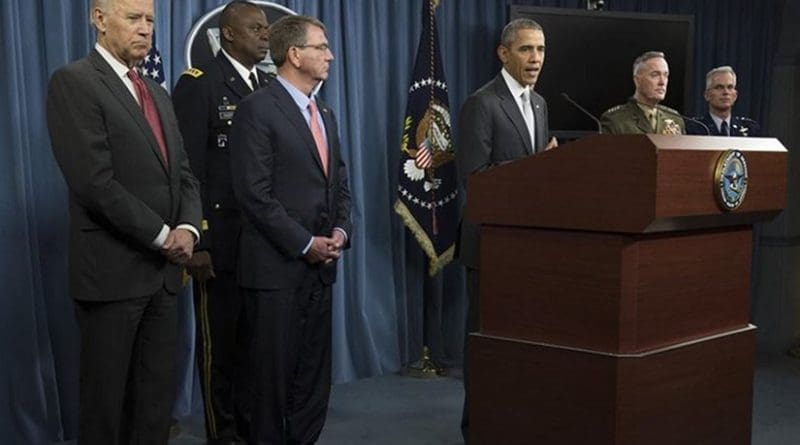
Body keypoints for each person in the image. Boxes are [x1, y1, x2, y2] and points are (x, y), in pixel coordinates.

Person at [46, 0, 201, 442]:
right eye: (133, 18)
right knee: (105, 406)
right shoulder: (74, 82)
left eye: (150, 20)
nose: (146, 29)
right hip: (112, 276)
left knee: (154, 404)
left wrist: (188, 228)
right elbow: (94, 183)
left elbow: (184, 173)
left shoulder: (157, 92)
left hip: (164, 278)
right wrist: (161, 235)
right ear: (99, 19)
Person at [229, 14, 352, 444]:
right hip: (275, 273)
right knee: (269, 385)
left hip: (320, 272)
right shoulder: (256, 110)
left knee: (312, 383)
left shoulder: (327, 114)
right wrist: (304, 244)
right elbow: (254, 194)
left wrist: (341, 232)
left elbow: (339, 184)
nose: (330, 55)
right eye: (321, 47)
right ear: (294, 54)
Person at [172, 1, 273, 442]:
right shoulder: (201, 85)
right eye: (255, 28)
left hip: (263, 244)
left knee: (256, 350)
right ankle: (224, 435)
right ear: (228, 34)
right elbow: (188, 169)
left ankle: (252, 431)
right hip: (222, 244)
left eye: (267, 29)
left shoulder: (268, 85)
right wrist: (199, 240)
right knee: (223, 354)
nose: (265, 36)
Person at [455, 17, 556, 443]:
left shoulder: (540, 104)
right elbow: (476, 178)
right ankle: (477, 429)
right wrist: (537, 167)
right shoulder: (483, 103)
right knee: (486, 345)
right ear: (503, 53)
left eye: (541, 50)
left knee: (522, 347)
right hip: (491, 245)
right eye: (526, 50)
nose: (535, 59)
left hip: (527, 246)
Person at [600, 51, 685, 135]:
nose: (662, 82)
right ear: (637, 80)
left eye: (665, 75)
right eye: (655, 75)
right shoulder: (616, 120)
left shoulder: (675, 119)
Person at [686, 66, 761, 136]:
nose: (726, 92)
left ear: (735, 95)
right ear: (707, 95)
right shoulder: (694, 127)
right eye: (719, 87)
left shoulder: (750, 128)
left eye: (730, 87)